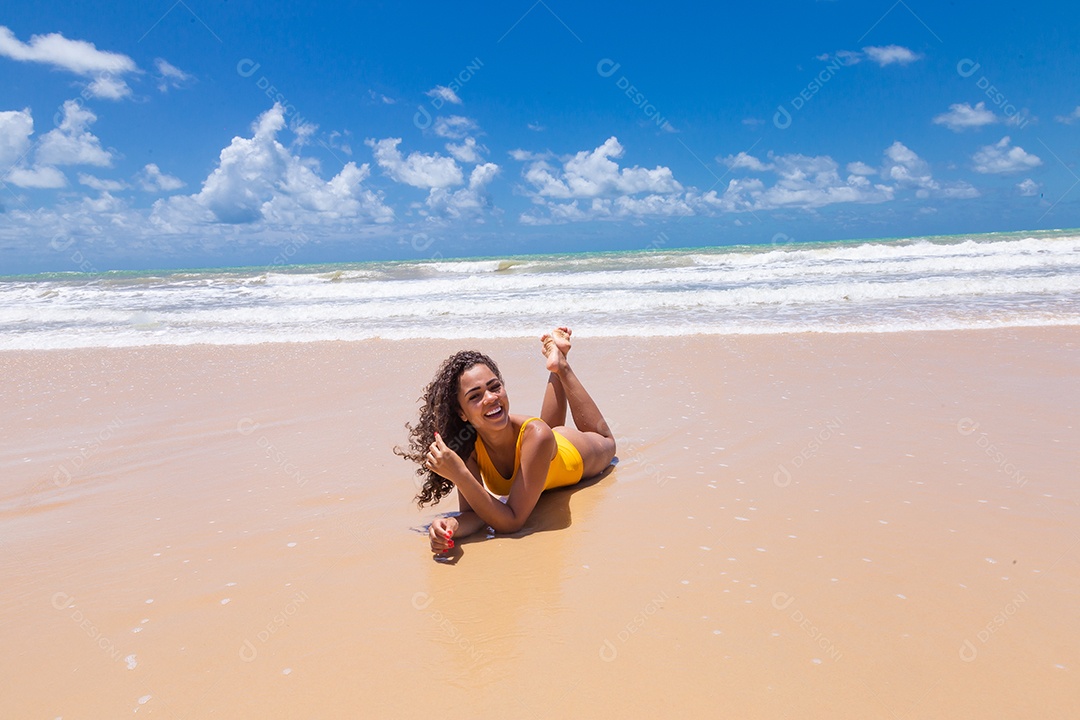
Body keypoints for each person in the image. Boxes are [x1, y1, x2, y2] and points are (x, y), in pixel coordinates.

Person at [396, 328, 616, 554]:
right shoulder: (468, 446)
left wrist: (459, 474)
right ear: (461, 413)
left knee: (607, 442)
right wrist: (450, 526)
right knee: (544, 433)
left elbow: (512, 522)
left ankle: (563, 367)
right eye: (475, 396)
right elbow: (477, 513)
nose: (491, 398)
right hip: (540, 450)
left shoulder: (537, 435)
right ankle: (557, 359)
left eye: (494, 387)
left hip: (572, 453)